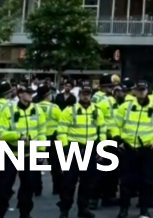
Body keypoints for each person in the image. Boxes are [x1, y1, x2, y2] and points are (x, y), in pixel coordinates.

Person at [116, 81, 153, 218]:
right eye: (138, 90)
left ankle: (144, 210)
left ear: (147, 91)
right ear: (134, 92)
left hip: (147, 149)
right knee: (125, 181)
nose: (141, 92)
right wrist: (119, 140)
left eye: (143, 90)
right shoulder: (126, 107)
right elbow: (115, 124)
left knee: (146, 181)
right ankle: (123, 209)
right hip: (128, 148)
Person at [0, 84, 45, 218]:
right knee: (4, 186)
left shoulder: (38, 111)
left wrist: (41, 150)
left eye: (32, 93)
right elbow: (0, 133)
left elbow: (42, 132)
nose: (30, 95)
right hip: (11, 153)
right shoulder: (9, 110)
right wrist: (17, 136)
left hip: (29, 154)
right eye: (28, 93)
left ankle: (25, 213)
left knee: (29, 186)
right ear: (20, 94)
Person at [57, 86, 105, 218]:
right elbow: (62, 131)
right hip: (74, 148)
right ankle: (65, 210)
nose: (86, 96)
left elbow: (102, 130)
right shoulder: (69, 110)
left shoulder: (97, 111)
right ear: (79, 95)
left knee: (87, 182)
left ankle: (83, 208)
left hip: (90, 149)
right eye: (83, 94)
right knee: (68, 182)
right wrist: (65, 149)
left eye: (88, 94)